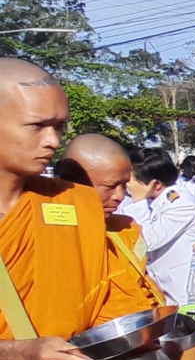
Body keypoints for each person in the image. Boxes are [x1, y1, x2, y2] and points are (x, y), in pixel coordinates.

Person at [0, 59, 150, 360]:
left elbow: (111, 300)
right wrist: (17, 351)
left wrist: (144, 333)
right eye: (37, 126)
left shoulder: (77, 204)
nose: (52, 141)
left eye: (59, 127)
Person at [55, 134, 167, 321]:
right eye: (109, 186)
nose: (120, 196)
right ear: (71, 183)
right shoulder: (45, 232)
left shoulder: (125, 229)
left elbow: (140, 288)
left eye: (124, 185)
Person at [118, 147, 195, 306]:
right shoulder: (148, 201)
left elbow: (148, 240)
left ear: (155, 184)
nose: (128, 184)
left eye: (134, 180)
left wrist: (138, 201)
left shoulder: (181, 203)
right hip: (170, 291)